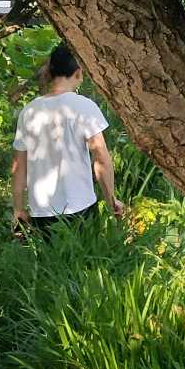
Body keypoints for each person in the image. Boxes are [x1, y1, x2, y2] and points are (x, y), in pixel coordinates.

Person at [11, 43, 124, 240]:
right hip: (79, 208)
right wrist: (111, 200)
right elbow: (102, 159)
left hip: (41, 213)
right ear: (79, 73)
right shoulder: (83, 106)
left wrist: (19, 208)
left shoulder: (29, 111)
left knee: (50, 269)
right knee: (86, 267)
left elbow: (19, 166)